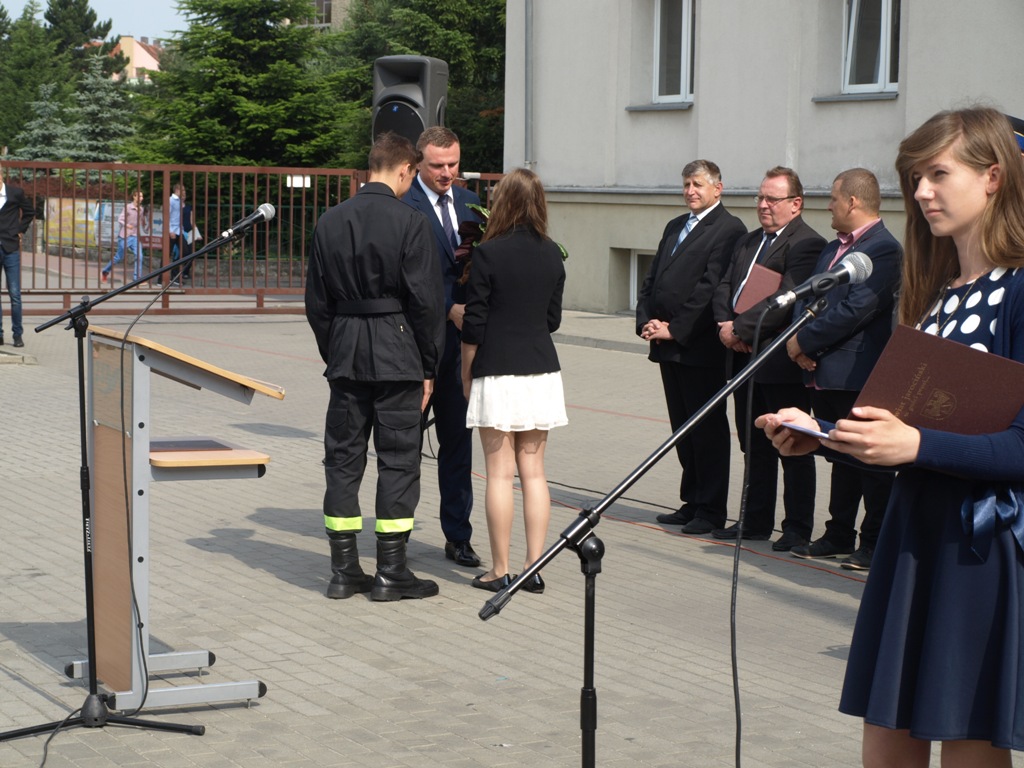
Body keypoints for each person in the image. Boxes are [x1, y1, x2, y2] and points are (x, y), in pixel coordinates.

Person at [757, 107, 1024, 766]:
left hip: (977, 549)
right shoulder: (939, 292)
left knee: (966, 748)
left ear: (993, 177)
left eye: (939, 174)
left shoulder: (1018, 292)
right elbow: (908, 425)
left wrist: (916, 447)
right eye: (915, 178)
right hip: (913, 537)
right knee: (884, 746)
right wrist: (823, 434)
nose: (922, 192)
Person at [305, 132, 446, 602]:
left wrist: (336, 349)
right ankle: (392, 572)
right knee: (399, 461)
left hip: (346, 353)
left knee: (342, 461)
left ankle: (344, 571)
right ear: (405, 169)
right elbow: (426, 303)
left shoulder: (329, 220)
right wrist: (429, 365)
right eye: (413, 175)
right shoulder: (412, 221)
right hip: (398, 356)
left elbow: (317, 303)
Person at [785, 169, 902, 571]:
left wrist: (806, 342)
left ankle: (873, 542)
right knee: (840, 454)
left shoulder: (884, 249)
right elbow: (810, 296)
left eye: (833, 199)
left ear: (852, 202)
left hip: (856, 373)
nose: (829, 207)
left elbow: (858, 309)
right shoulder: (833, 247)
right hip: (822, 368)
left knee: (870, 463)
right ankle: (838, 534)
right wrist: (797, 338)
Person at [460, 168, 567, 593]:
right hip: (542, 370)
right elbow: (553, 320)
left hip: (498, 370)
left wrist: (466, 372)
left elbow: (474, 324)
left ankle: (499, 570)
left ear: (502, 201)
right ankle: (533, 567)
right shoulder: (552, 253)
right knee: (535, 473)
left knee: (499, 475)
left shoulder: (488, 253)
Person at [711, 167, 827, 551]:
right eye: (760, 197)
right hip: (742, 360)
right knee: (754, 446)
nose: (763, 205)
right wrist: (725, 325)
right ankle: (755, 521)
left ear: (796, 204)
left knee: (791, 446)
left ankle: (796, 527)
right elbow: (725, 286)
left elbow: (786, 300)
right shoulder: (748, 241)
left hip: (778, 364)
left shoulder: (806, 244)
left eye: (772, 199)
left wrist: (741, 331)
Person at [636, 160, 746, 534]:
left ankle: (711, 509)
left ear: (718, 188)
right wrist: (646, 321)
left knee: (706, 430)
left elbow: (710, 289)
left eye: (697, 184)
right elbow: (652, 278)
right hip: (667, 344)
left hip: (699, 348)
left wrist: (676, 329)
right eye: (686, 184)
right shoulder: (675, 226)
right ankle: (692, 501)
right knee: (682, 428)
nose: (690, 191)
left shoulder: (729, 229)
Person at [402, 127, 484, 569]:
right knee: (405, 445)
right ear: (418, 163)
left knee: (458, 443)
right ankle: (397, 535)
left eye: (453, 163)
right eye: (437, 165)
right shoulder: (403, 203)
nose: (447, 172)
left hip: (462, 348)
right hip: (415, 345)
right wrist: (446, 308)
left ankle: (458, 536)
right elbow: (402, 279)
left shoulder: (471, 203)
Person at [0, 164, 36, 348]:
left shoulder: (15, 193)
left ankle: (17, 335)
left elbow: (30, 212)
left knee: (15, 294)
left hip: (10, 248)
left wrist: (20, 230)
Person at [100, 188, 147, 285]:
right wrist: (127, 225)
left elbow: (140, 221)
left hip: (135, 236)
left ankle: (137, 278)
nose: (142, 198)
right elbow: (120, 219)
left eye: (142, 196)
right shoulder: (128, 207)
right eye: (139, 196)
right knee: (118, 257)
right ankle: (105, 271)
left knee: (139, 256)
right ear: (134, 197)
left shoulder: (141, 209)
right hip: (125, 236)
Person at [168, 183, 191, 286]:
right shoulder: (171, 200)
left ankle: (174, 275)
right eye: (183, 190)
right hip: (172, 231)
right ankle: (161, 279)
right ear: (177, 190)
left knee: (186, 252)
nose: (184, 192)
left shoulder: (179, 201)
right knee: (167, 254)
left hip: (179, 231)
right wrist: (170, 230)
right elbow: (167, 215)